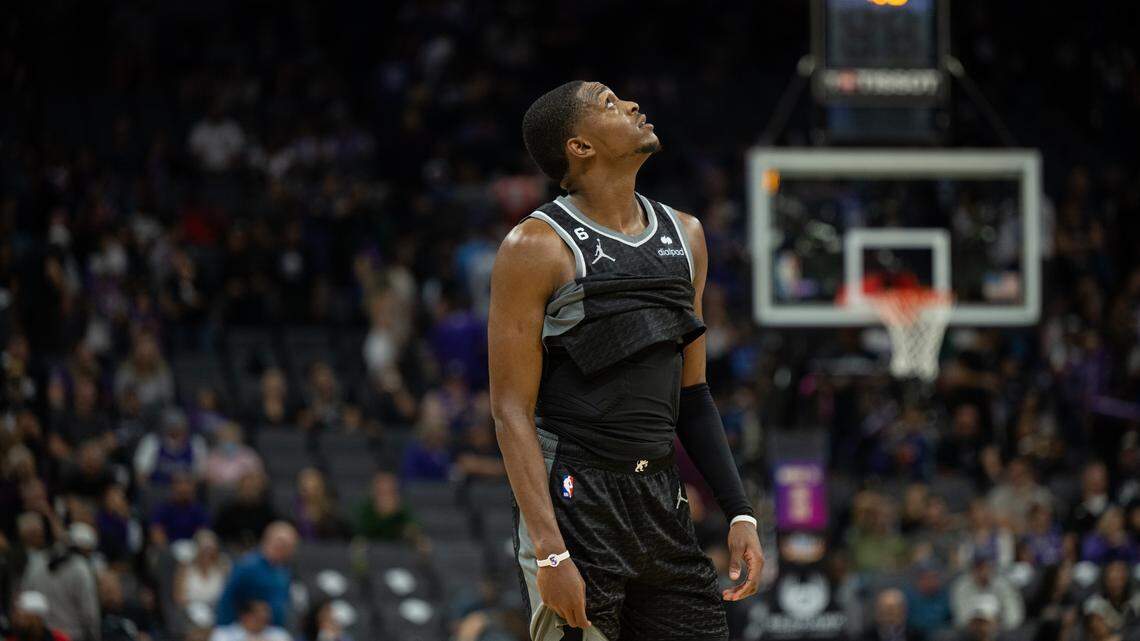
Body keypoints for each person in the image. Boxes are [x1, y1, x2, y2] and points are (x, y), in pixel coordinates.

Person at [489, 81, 763, 640]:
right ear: (580, 147)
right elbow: (510, 411)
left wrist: (739, 511)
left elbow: (693, 394)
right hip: (574, 497)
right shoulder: (536, 246)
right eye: (608, 103)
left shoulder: (687, 235)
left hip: (660, 496)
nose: (633, 105)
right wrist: (549, 553)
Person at [214, 521, 298, 627]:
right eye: (280, 542)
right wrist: (225, 629)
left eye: (288, 545)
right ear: (267, 540)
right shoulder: (247, 566)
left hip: (273, 631)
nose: (283, 548)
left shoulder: (284, 571)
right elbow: (228, 598)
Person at [949, 551, 1024, 631]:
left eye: (986, 567)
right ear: (973, 570)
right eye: (979, 568)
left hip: (1000, 630)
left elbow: (1014, 614)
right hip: (970, 631)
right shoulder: (961, 586)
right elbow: (960, 616)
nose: (983, 572)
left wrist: (999, 624)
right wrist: (978, 625)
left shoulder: (1003, 584)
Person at [149, 472, 210, 546]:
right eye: (179, 483)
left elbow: (204, 533)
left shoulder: (200, 510)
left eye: (187, 483)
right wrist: (166, 550)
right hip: (169, 549)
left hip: (194, 549)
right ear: (173, 487)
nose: (183, 487)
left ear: (193, 487)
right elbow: (156, 531)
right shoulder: (162, 509)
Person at [174, 529, 230, 609]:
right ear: (196, 549)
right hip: (190, 614)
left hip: (217, 612)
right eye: (204, 549)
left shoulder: (222, 568)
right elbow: (179, 599)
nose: (207, 553)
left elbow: (228, 597)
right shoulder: (185, 569)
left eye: (210, 549)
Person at [209, 600, 291, 641]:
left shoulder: (279, 635)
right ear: (245, 616)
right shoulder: (223, 634)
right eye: (258, 618)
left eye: (266, 619)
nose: (263, 621)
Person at [5, 591, 71, 641]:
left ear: (38, 619)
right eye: (18, 616)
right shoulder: (11, 638)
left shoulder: (58, 638)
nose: (19, 622)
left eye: (25, 617)